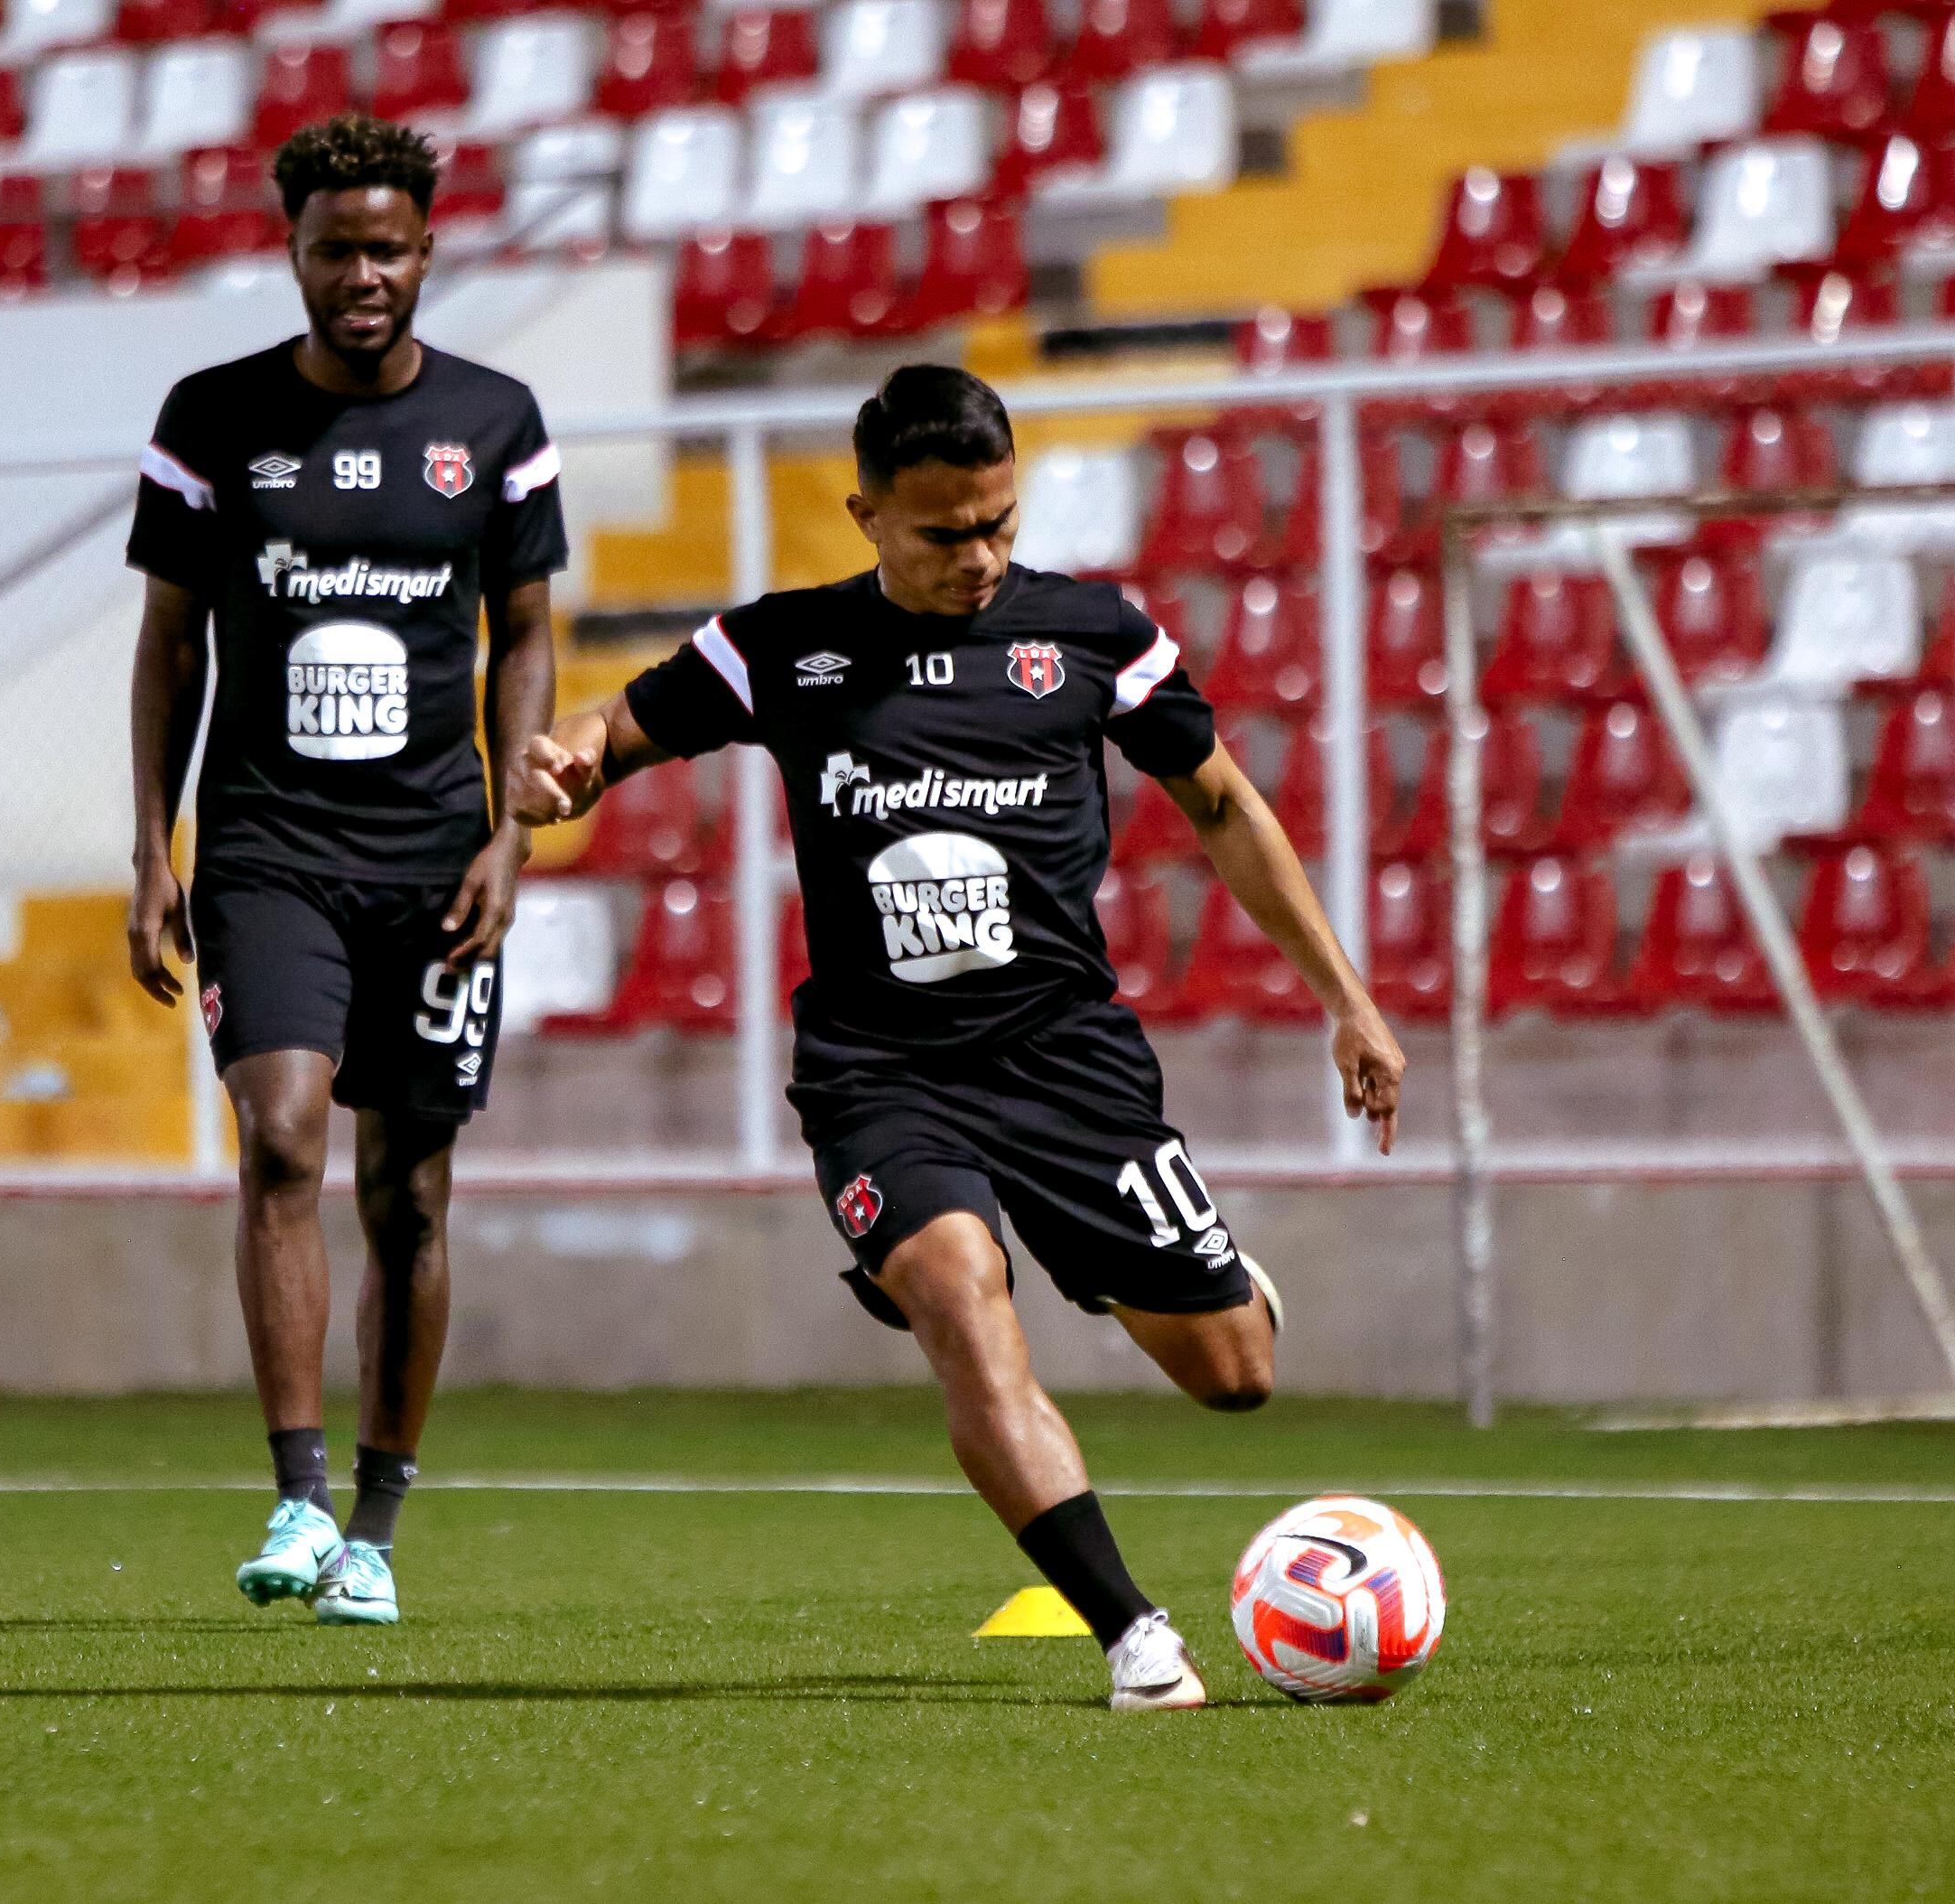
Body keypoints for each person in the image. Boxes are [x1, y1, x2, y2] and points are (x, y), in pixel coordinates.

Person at [506, 366, 1405, 1709]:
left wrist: (1346, 996)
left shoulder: (1094, 637)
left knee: (1235, 1378)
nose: (979, 556)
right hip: (881, 1074)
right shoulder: (782, 648)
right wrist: (559, 754)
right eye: (942, 533)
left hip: (1064, 1064)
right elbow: (612, 730)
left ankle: (1122, 1258)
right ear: (865, 512)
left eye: (997, 522)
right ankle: (1133, 1638)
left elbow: (1219, 807)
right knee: (956, 1297)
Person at [125, 115, 565, 1628]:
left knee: (412, 1194)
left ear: (427, 249)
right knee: (281, 1140)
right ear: (292, 253)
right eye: (334, 249)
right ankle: (297, 1499)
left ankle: (377, 1526)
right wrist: (151, 848)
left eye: (386, 247)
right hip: (266, 849)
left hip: (436, 860)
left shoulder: (497, 423)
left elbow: (528, 639)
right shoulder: (210, 418)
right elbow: (171, 646)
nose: (362, 273)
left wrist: (511, 829)